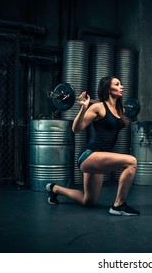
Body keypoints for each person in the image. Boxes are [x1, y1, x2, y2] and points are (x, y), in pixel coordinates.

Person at [45, 76, 140, 216]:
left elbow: (129, 110)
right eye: (117, 84)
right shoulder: (98, 107)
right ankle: (118, 205)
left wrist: (131, 107)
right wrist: (83, 107)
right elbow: (76, 129)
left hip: (100, 157)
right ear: (108, 89)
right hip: (89, 155)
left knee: (88, 201)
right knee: (131, 162)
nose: (122, 87)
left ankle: (54, 189)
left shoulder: (119, 110)